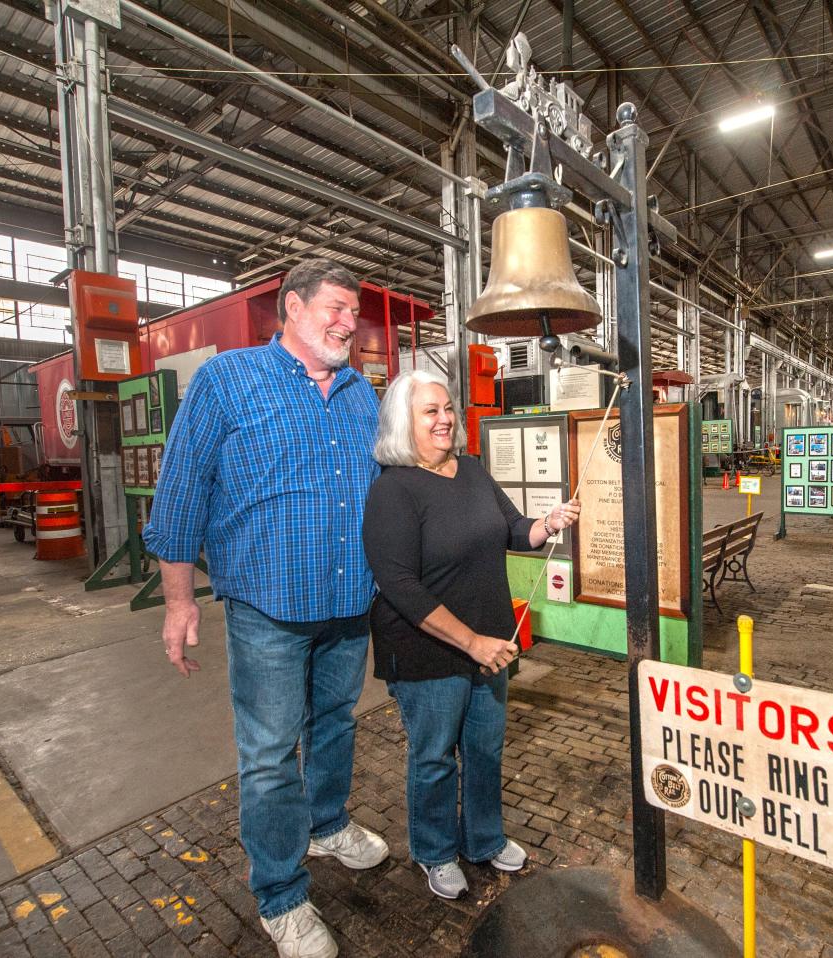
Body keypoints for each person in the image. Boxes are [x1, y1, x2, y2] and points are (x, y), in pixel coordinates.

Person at [144, 258, 387, 958]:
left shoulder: (360, 394)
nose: (349, 322)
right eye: (335, 308)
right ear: (292, 307)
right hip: (267, 609)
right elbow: (180, 493)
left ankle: (326, 823)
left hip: (349, 602)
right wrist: (179, 600)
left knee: (335, 723)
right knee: (271, 752)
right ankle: (281, 893)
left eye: (354, 312)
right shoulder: (228, 380)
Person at [362, 370, 580, 900]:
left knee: (484, 749)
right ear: (402, 422)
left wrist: (547, 523)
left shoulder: (474, 470)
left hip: (490, 643)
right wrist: (471, 641)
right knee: (435, 757)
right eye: (430, 411)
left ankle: (484, 840)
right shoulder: (394, 489)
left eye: (448, 408)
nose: (445, 419)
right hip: (427, 649)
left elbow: (513, 529)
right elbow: (398, 585)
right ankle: (435, 852)